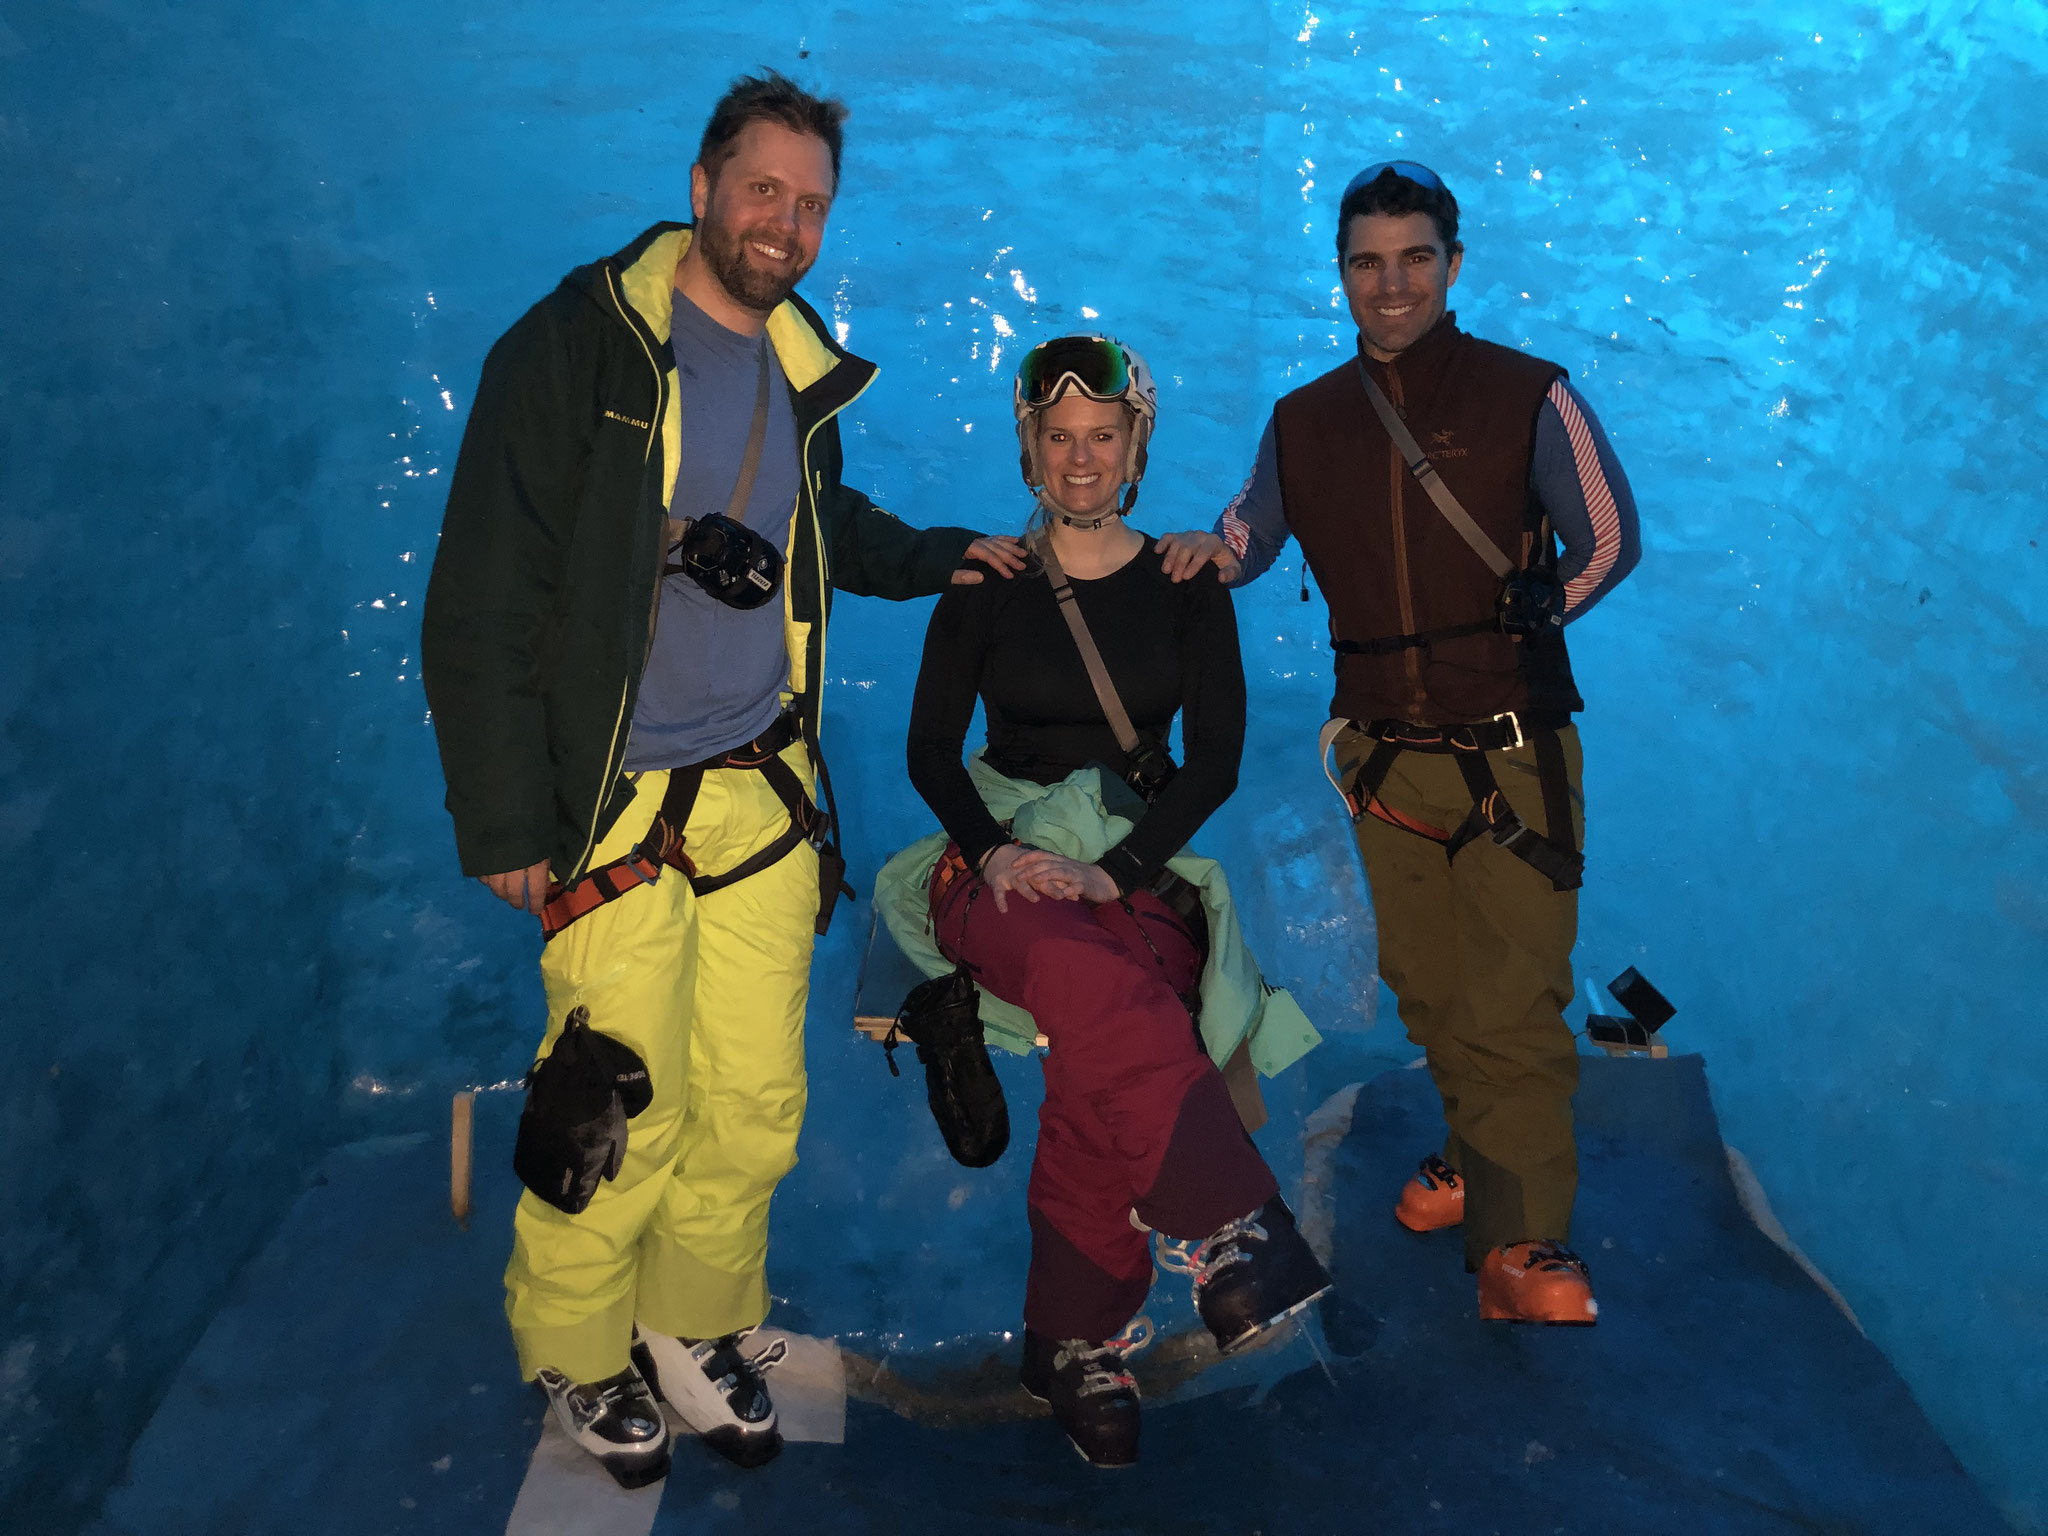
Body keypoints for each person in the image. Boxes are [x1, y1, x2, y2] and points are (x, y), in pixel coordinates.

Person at [421, 72, 1024, 1488]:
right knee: (614, 1099)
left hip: (757, 795)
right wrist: (508, 821)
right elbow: (482, 597)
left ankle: (689, 1328)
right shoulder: (579, 348)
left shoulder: (795, 366)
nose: (787, 223)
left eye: (812, 204)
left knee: (752, 1100)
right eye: (765, 190)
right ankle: (578, 1347)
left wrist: (943, 554)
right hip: (615, 802)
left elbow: (817, 526)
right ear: (703, 186)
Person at [1159, 161, 1641, 1324]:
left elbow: (1610, 539)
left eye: (1414, 257)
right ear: (1341, 274)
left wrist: (1546, 605)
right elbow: (1243, 537)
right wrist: (1169, 558)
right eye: (1367, 262)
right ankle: (1476, 1158)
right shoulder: (1304, 421)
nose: (1391, 283)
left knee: (1514, 997)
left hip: (1514, 752)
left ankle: (1525, 1243)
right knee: (1427, 987)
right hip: (1383, 761)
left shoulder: (1531, 395)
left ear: (1452, 264)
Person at [884, 335, 1330, 1469]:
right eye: (1058, 438)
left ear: (1135, 447)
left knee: (1108, 1028)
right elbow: (931, 752)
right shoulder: (985, 581)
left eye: (1102, 436)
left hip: (1125, 867)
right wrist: (988, 855)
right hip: (997, 860)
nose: (1080, 459)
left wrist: (1116, 874)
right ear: (1028, 448)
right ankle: (1228, 1221)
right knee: (1091, 979)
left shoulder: (1186, 585)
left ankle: (1072, 1343)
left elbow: (1214, 762)